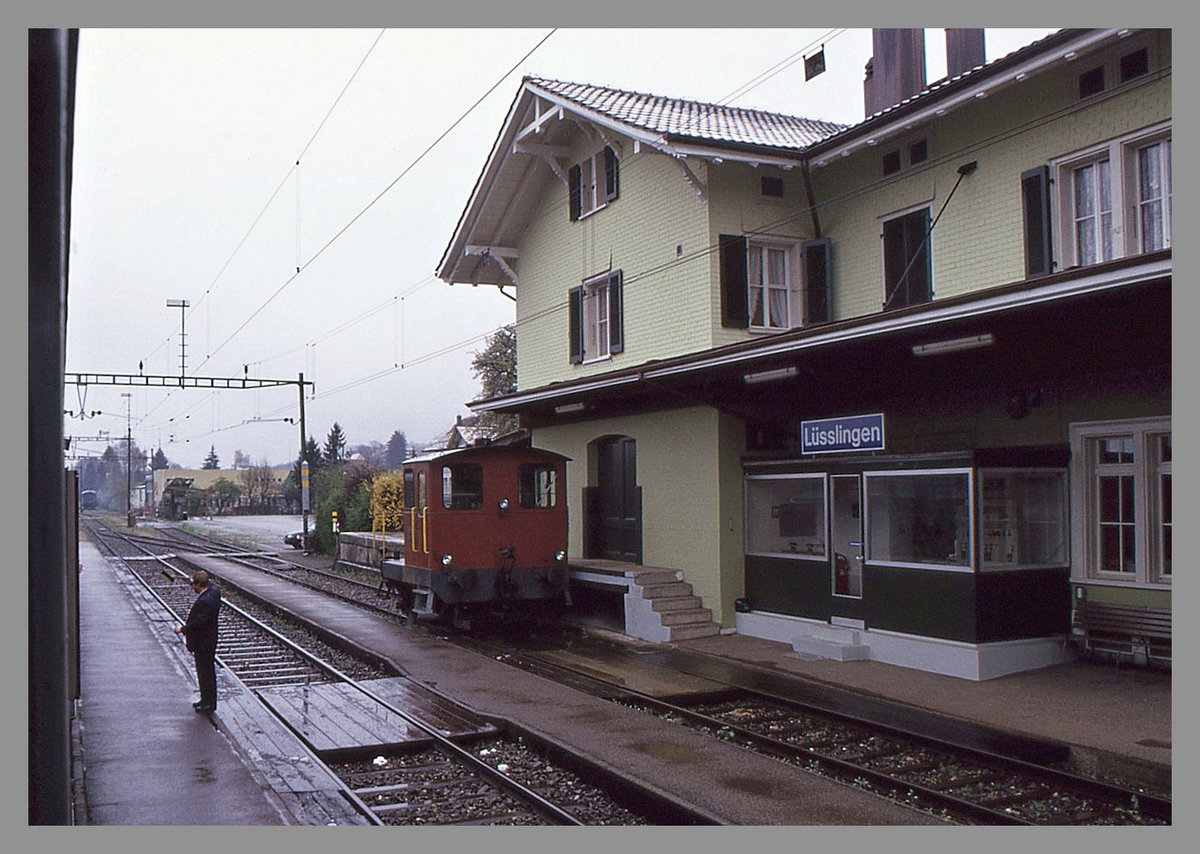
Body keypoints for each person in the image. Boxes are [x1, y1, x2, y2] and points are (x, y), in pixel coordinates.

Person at [174, 570, 221, 713]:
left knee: (205, 673)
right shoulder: (214, 591)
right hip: (207, 640)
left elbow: (199, 622)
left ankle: (208, 704)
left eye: (193, 584)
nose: (192, 587)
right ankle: (205, 699)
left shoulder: (206, 601)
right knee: (205, 672)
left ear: (200, 585)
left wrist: (182, 629)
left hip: (204, 642)